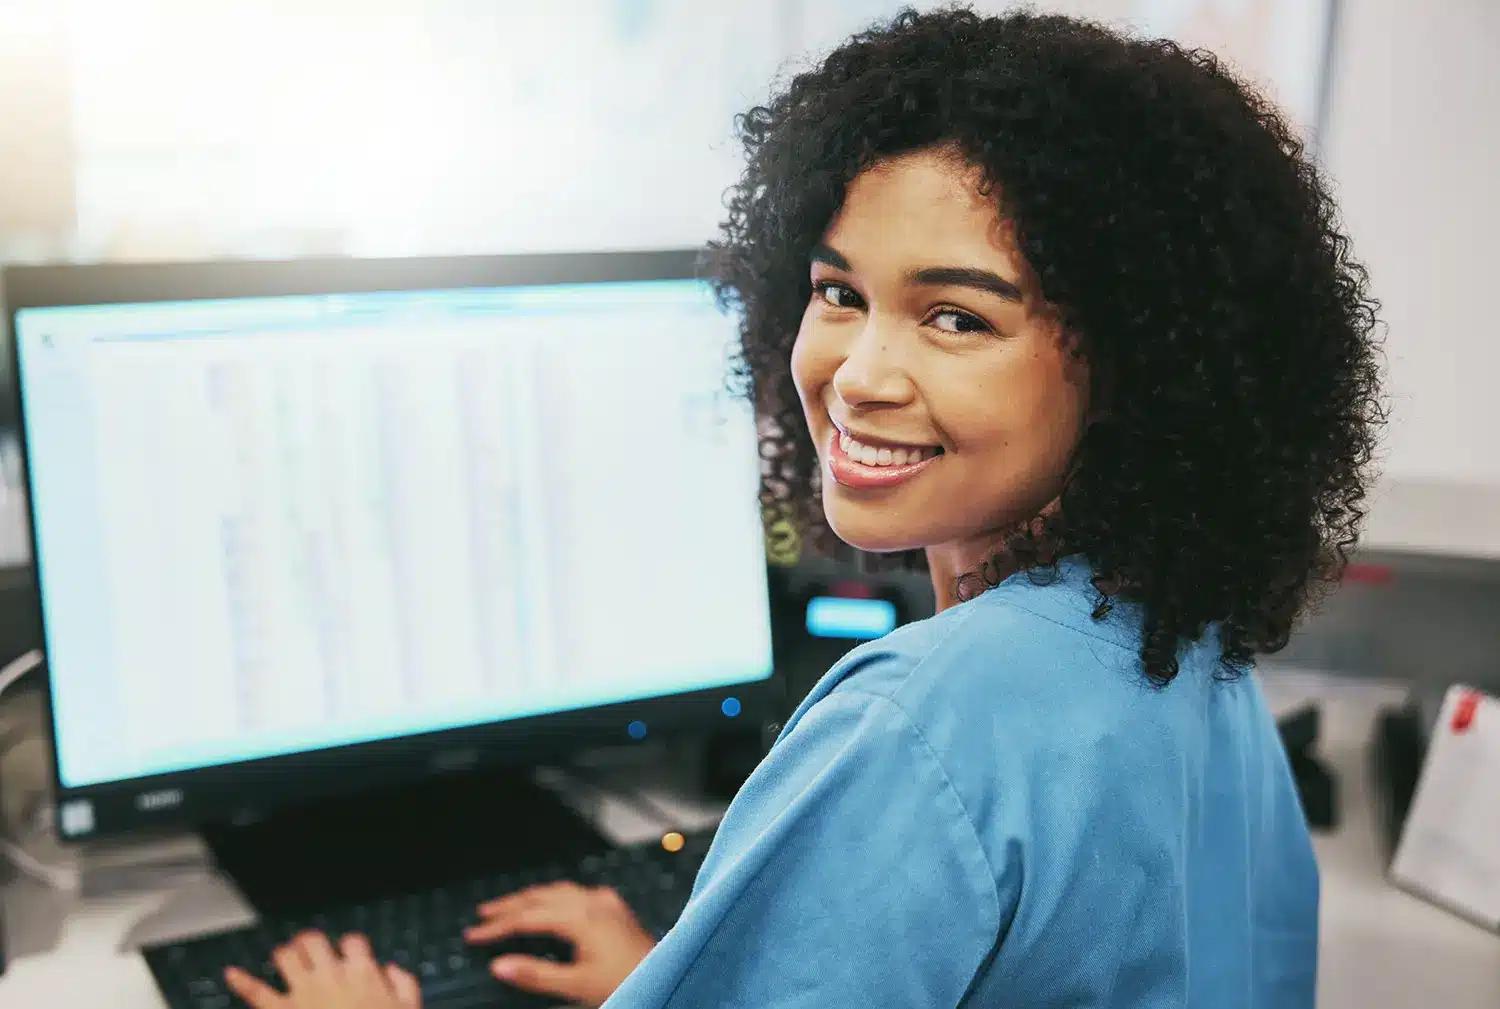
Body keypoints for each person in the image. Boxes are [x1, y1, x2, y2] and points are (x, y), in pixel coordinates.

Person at [224, 7, 1382, 1008]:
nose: (860, 373)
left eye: (957, 316)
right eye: (839, 292)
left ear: (1137, 366)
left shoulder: (922, 726)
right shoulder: (1196, 654)